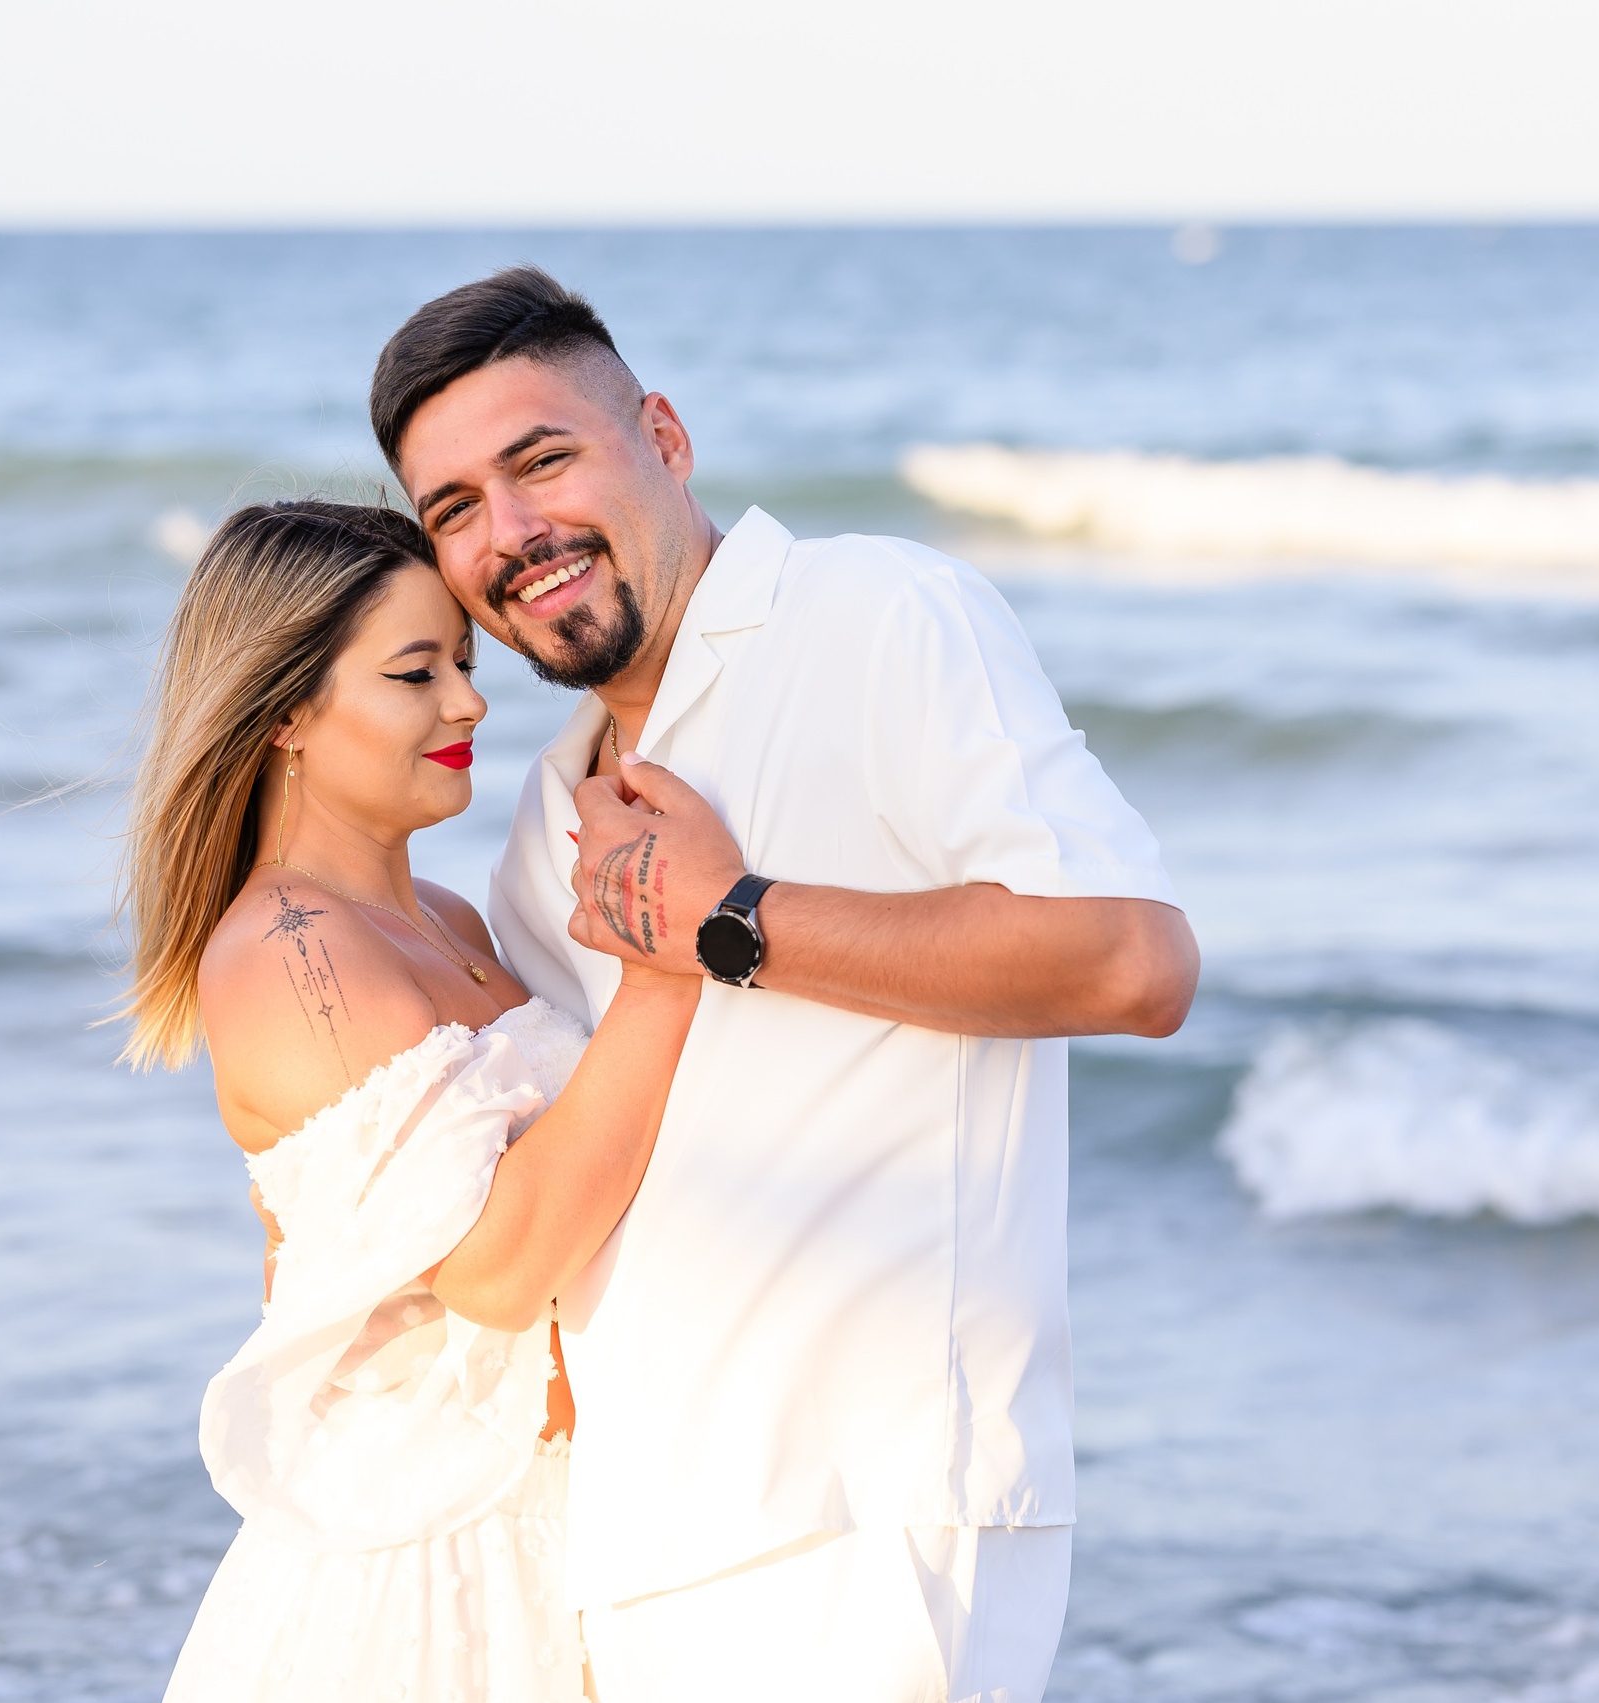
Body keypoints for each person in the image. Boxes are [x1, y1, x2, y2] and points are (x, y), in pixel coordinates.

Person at [372, 268, 1200, 1703]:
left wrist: (736, 920)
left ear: (666, 439)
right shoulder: (541, 816)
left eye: (544, 459)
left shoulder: (877, 613)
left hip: (870, 1519)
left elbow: (1133, 959)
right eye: (454, 510)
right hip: (635, 1549)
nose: (513, 533)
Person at [119, 499, 705, 1701]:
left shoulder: (445, 918)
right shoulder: (291, 955)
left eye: (466, 661)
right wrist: (670, 959)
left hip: (557, 1514)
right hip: (440, 1572)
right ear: (283, 708)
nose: (469, 701)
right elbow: (494, 1268)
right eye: (413, 671)